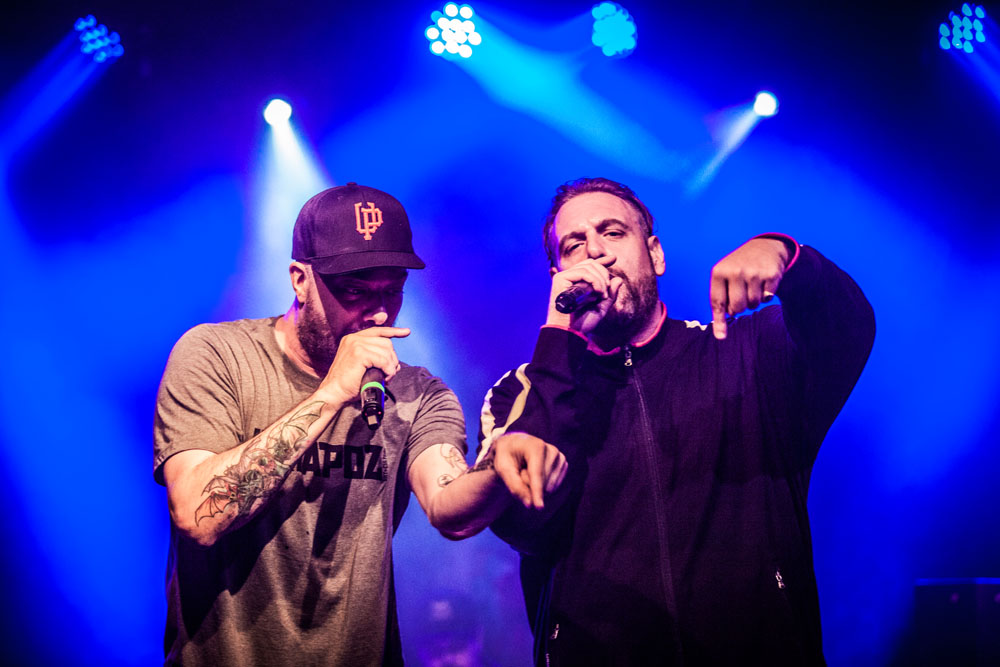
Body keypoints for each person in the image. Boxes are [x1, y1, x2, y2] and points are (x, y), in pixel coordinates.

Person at [153, 183, 562, 665]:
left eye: (393, 290)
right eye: (354, 291)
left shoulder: (419, 394)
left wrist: (498, 465)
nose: (379, 312)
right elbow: (198, 514)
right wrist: (329, 395)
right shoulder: (216, 356)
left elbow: (449, 508)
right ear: (299, 280)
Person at [478, 177, 876, 665]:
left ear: (656, 254)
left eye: (612, 233)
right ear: (557, 274)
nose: (595, 252)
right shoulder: (522, 392)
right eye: (574, 245)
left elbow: (848, 331)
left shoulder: (746, 351)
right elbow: (522, 524)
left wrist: (787, 257)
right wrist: (560, 340)